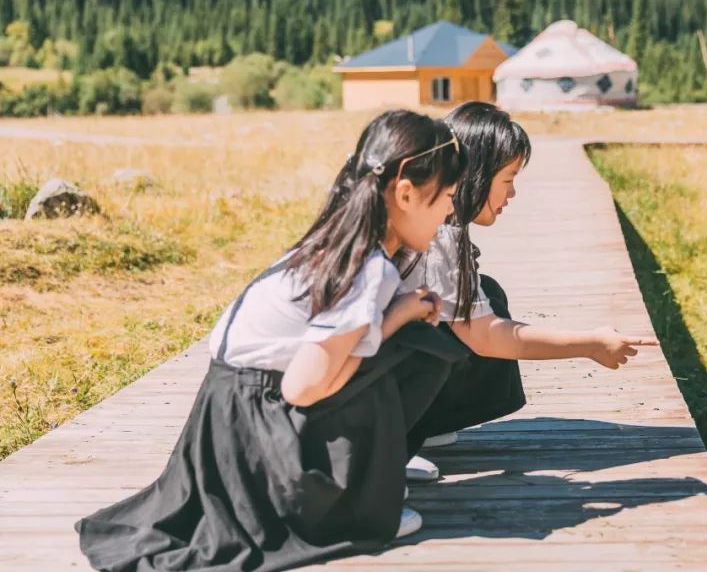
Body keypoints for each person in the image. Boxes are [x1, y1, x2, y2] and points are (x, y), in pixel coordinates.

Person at [75, 110, 467, 571]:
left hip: (230, 409)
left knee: (393, 345)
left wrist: (395, 317)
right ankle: (349, 512)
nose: (450, 212)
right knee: (407, 355)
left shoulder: (338, 239)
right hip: (257, 420)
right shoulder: (367, 267)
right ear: (405, 193)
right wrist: (374, 344)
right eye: (447, 197)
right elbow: (301, 388)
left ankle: (364, 487)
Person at [399, 102, 658, 480]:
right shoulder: (440, 236)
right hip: (351, 386)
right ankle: (387, 444)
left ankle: (419, 422)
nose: (514, 193)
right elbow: (488, 337)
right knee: (453, 326)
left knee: (485, 292)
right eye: (507, 179)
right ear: (474, 175)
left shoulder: (430, 220)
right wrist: (590, 344)